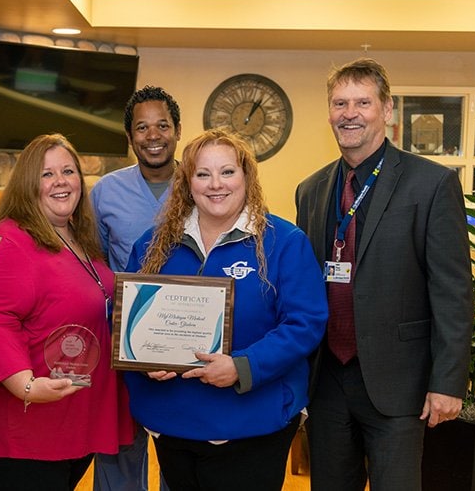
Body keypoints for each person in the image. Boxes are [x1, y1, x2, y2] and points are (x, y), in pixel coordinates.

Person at [295, 57, 473, 491]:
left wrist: (448, 383)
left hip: (400, 385)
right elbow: (302, 288)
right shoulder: (311, 189)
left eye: (362, 102)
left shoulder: (431, 184)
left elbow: (452, 291)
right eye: (340, 103)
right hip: (328, 383)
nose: (349, 114)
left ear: (387, 110)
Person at [124, 129, 328, 491]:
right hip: (173, 423)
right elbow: (127, 314)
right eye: (203, 174)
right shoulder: (153, 244)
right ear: (188, 183)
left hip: (253, 423)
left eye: (227, 172)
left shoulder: (284, 242)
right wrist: (143, 357)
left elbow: (305, 323)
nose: (215, 184)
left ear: (246, 176)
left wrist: (242, 366)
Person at [0, 133, 134, 491]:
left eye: (68, 170)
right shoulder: (9, 238)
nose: (61, 181)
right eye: (47, 174)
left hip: (71, 418)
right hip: (25, 426)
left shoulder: (79, 239)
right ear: (27, 183)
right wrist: (26, 386)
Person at [89, 85, 181, 491]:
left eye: (162, 125)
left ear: (178, 130)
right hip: (124, 340)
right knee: (121, 447)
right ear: (130, 137)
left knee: (180, 448)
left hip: (185, 338)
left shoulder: (203, 184)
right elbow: (96, 263)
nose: (153, 135)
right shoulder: (106, 192)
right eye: (142, 127)